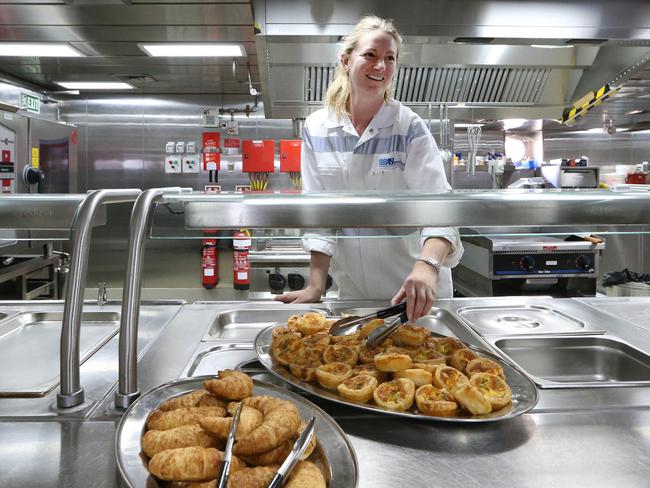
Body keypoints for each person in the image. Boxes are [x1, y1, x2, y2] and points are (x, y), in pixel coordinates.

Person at [275, 15, 463, 322]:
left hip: (417, 296)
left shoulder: (408, 127)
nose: (380, 66)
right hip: (355, 295)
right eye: (371, 55)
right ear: (346, 60)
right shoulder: (317, 128)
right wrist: (315, 285)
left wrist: (427, 266)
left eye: (390, 58)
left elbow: (441, 208)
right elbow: (321, 215)